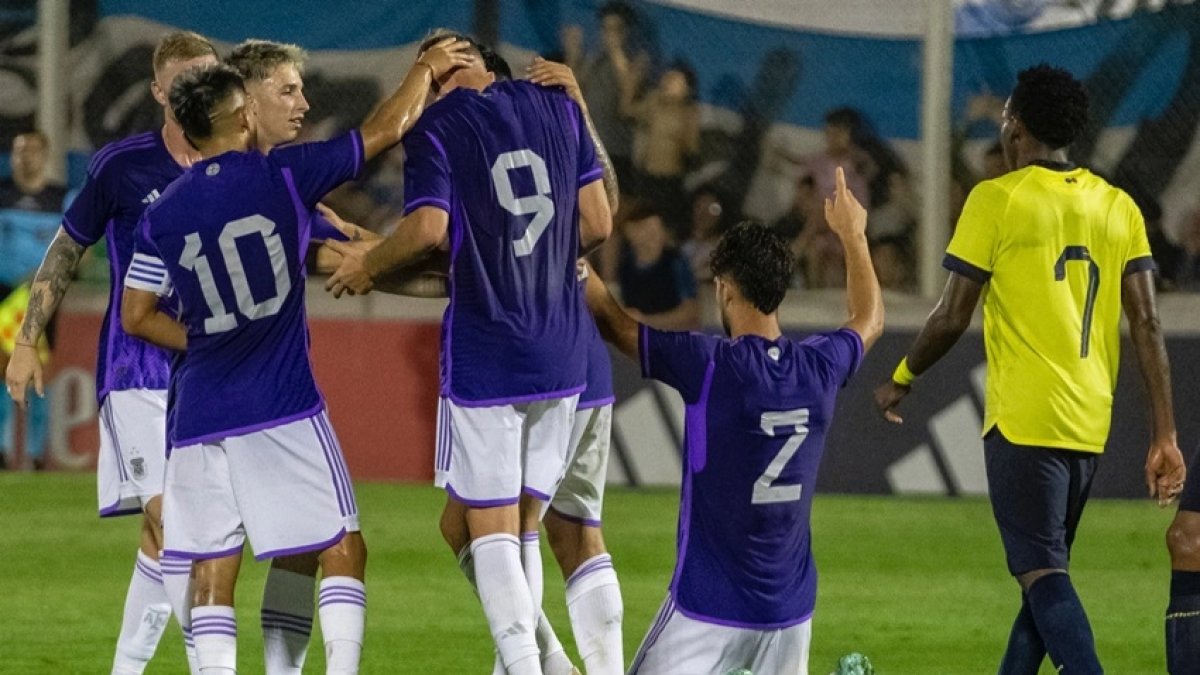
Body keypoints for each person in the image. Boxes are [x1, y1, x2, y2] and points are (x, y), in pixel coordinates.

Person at [119, 42, 471, 675]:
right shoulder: (282, 178)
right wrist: (426, 68)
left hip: (196, 411)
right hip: (278, 400)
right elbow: (385, 130)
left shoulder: (162, 213)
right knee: (342, 547)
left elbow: (136, 315)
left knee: (211, 570)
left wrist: (206, 341)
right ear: (240, 116)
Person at [873, 64, 1185, 675]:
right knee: (1044, 577)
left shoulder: (996, 199)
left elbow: (951, 314)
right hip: (1090, 422)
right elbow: (1147, 325)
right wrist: (1164, 434)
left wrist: (902, 375)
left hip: (1023, 421)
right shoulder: (1118, 206)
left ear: (1016, 129)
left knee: (1043, 576)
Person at [325, 33, 613, 675]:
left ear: (438, 70)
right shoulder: (557, 108)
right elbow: (597, 225)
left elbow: (429, 230)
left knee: (490, 530)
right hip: (563, 351)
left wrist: (372, 263)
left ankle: (524, 666)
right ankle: (550, 665)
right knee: (525, 527)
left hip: (489, 352)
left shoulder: (436, 127)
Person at [583, 168, 882, 674]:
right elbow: (869, 318)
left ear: (724, 289)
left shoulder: (712, 367)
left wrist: (572, 261)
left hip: (707, 608)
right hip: (789, 613)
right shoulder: (820, 368)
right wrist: (853, 235)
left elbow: (617, 326)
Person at [4, 31, 218, 675]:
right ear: (158, 91)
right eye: (183, 80)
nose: (195, 90)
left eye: (207, 77)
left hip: (206, 370)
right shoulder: (123, 165)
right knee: (175, 523)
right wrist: (24, 339)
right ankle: (214, 662)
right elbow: (66, 249)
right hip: (136, 370)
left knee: (161, 540)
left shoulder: (234, 160)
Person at [0, 130, 67, 470]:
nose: (25, 157)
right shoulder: (2, 194)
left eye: (32, 151)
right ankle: (3, 450)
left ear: (45, 155)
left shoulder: (61, 198)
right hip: (3, 294)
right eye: (19, 150)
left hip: (42, 297)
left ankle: (37, 453)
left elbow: (76, 249)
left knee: (42, 371)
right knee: (1, 369)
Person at [617, 200, 700, 330]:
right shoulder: (625, 265)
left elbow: (690, 312)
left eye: (656, 230)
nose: (652, 237)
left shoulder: (675, 262)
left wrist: (646, 321)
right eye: (644, 230)